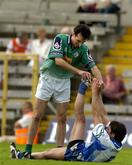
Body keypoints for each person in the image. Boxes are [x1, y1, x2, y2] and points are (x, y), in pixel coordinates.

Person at [15, 24, 103, 157]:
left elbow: (93, 66)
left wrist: (101, 81)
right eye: (78, 41)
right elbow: (58, 61)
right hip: (48, 78)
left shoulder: (83, 49)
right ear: (73, 34)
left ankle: (59, 151)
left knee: (62, 117)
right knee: (37, 115)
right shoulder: (60, 39)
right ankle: (27, 149)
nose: (79, 44)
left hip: (64, 82)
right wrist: (79, 71)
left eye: (82, 42)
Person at [10, 78, 127, 162]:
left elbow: (96, 114)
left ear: (112, 134)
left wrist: (95, 93)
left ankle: (20, 156)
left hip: (77, 154)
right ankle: (83, 85)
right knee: (80, 120)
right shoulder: (116, 144)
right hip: (83, 149)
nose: (106, 127)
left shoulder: (104, 139)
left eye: (108, 128)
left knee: (47, 153)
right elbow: (104, 114)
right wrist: (99, 93)